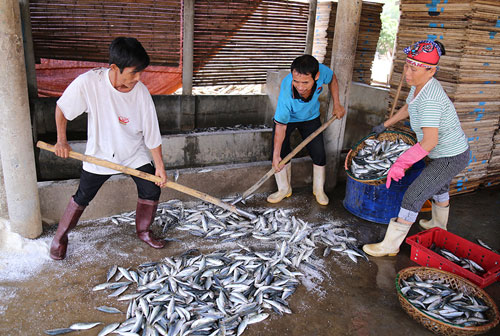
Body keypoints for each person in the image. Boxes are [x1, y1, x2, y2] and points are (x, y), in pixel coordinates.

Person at [49, 37, 168, 260]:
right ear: (114, 68)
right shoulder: (89, 82)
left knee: (152, 189)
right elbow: (62, 108)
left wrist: (159, 167)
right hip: (100, 154)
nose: (138, 78)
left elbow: (152, 132)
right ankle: (60, 239)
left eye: (141, 72)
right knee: (83, 196)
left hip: (133, 153)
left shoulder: (140, 92)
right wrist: (61, 140)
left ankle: (143, 231)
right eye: (133, 73)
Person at [363, 40, 470, 257]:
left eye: (413, 68)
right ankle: (438, 226)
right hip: (448, 153)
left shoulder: (431, 99)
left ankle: (390, 246)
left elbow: (430, 142)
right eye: (406, 65)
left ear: (431, 70)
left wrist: (401, 163)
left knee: (413, 196)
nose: (407, 72)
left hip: (451, 156)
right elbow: (409, 107)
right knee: (439, 186)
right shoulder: (421, 87)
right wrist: (385, 125)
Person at [268, 55, 345, 205]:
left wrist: (337, 104)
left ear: (316, 77)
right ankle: (284, 189)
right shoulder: (286, 91)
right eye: (296, 81)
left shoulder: (322, 72)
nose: (300, 86)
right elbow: (281, 126)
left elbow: (333, 79)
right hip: (288, 119)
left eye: (305, 82)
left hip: (311, 117)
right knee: (281, 153)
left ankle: (318, 189)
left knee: (319, 153)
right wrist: (275, 156)